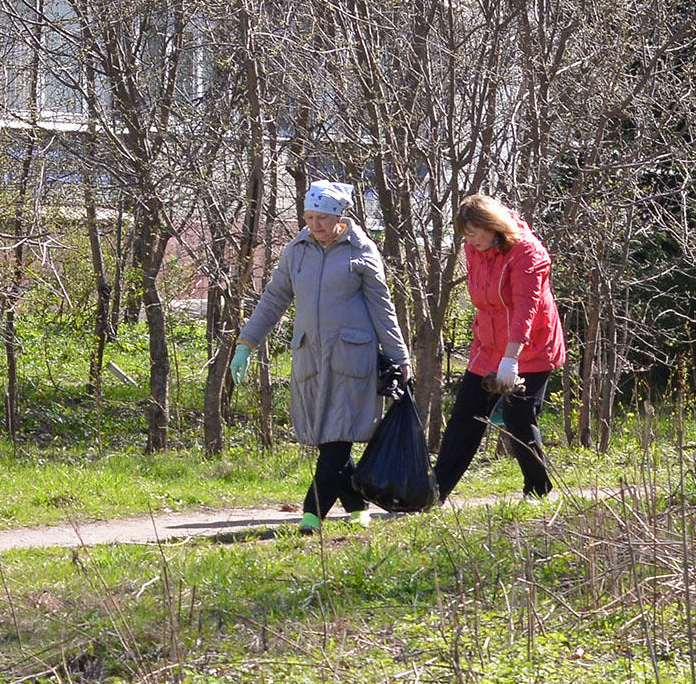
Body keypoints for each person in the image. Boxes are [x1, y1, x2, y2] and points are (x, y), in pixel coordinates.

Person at [232, 181, 411, 534]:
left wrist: (399, 355)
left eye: (323, 218)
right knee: (327, 437)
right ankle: (357, 504)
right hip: (310, 358)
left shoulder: (361, 250)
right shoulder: (297, 250)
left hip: (351, 358)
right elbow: (274, 299)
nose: (315, 225)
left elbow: (382, 307)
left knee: (338, 437)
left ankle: (312, 514)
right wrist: (246, 344)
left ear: (340, 217)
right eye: (309, 217)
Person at [432, 193, 566, 502]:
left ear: (492, 225)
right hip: (488, 345)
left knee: (518, 417)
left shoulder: (528, 252)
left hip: (531, 347)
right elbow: (484, 301)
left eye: (474, 232)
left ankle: (538, 490)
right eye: (465, 234)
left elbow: (526, 309)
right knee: (466, 415)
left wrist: (511, 359)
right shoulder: (474, 250)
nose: (469, 240)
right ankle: (435, 492)